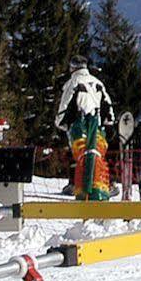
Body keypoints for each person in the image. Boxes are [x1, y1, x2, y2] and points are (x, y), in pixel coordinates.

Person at [54, 58, 115, 200]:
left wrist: (60, 122)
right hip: (97, 124)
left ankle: (82, 188)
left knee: (81, 154)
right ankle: (101, 186)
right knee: (96, 154)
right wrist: (109, 122)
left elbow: (65, 104)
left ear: (72, 68)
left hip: (79, 124)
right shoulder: (98, 83)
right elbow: (107, 104)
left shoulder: (72, 83)